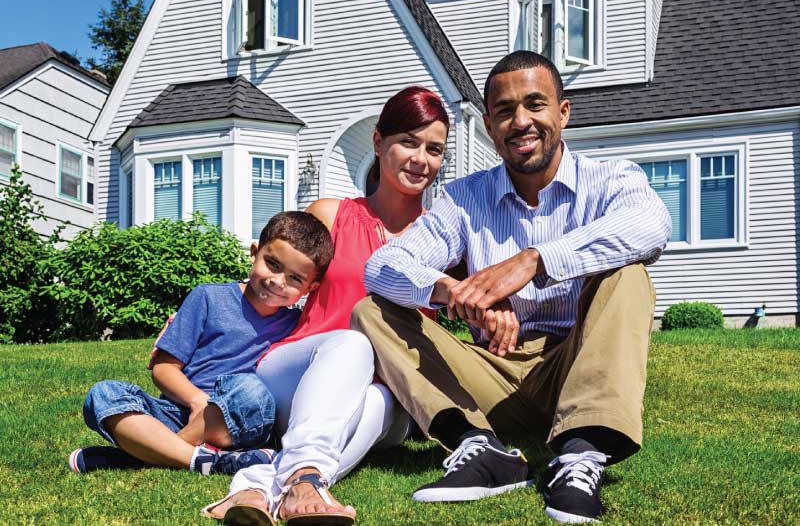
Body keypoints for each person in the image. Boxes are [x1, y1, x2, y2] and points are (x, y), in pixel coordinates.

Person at [351, 50, 671, 524]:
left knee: (628, 274)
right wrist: (452, 292)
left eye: (535, 105)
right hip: (491, 376)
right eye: (504, 111)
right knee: (372, 310)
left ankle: (580, 453)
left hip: (574, 365)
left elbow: (652, 225)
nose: (521, 121)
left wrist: (535, 260)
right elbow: (384, 264)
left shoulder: (612, 179)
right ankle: (479, 449)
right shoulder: (464, 198)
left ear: (563, 112)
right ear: (488, 124)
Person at [204, 86, 450, 525]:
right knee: (354, 343)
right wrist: (210, 322)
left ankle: (262, 485)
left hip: (383, 396)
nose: (421, 159)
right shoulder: (331, 215)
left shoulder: (443, 239)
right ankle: (304, 473)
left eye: (434, 149)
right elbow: (274, 280)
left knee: (382, 400)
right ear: (378, 142)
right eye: (408, 142)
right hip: (298, 373)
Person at [70, 212, 334, 476]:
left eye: (295, 278)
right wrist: (197, 400)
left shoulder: (299, 324)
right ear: (254, 252)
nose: (277, 281)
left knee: (251, 391)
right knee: (103, 395)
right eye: (273, 264)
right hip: (179, 411)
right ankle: (209, 460)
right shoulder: (208, 297)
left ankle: (148, 454)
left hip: (238, 418)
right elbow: (163, 369)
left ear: (311, 288)